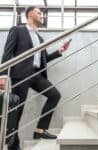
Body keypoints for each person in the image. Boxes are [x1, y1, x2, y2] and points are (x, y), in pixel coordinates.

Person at [0, 6, 71, 150]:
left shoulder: (40, 38)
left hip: (36, 75)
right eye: (39, 13)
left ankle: (40, 130)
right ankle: (14, 146)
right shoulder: (17, 30)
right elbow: (7, 53)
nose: (42, 15)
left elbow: (44, 59)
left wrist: (59, 51)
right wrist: (3, 75)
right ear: (30, 14)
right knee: (17, 112)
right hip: (20, 75)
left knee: (54, 95)